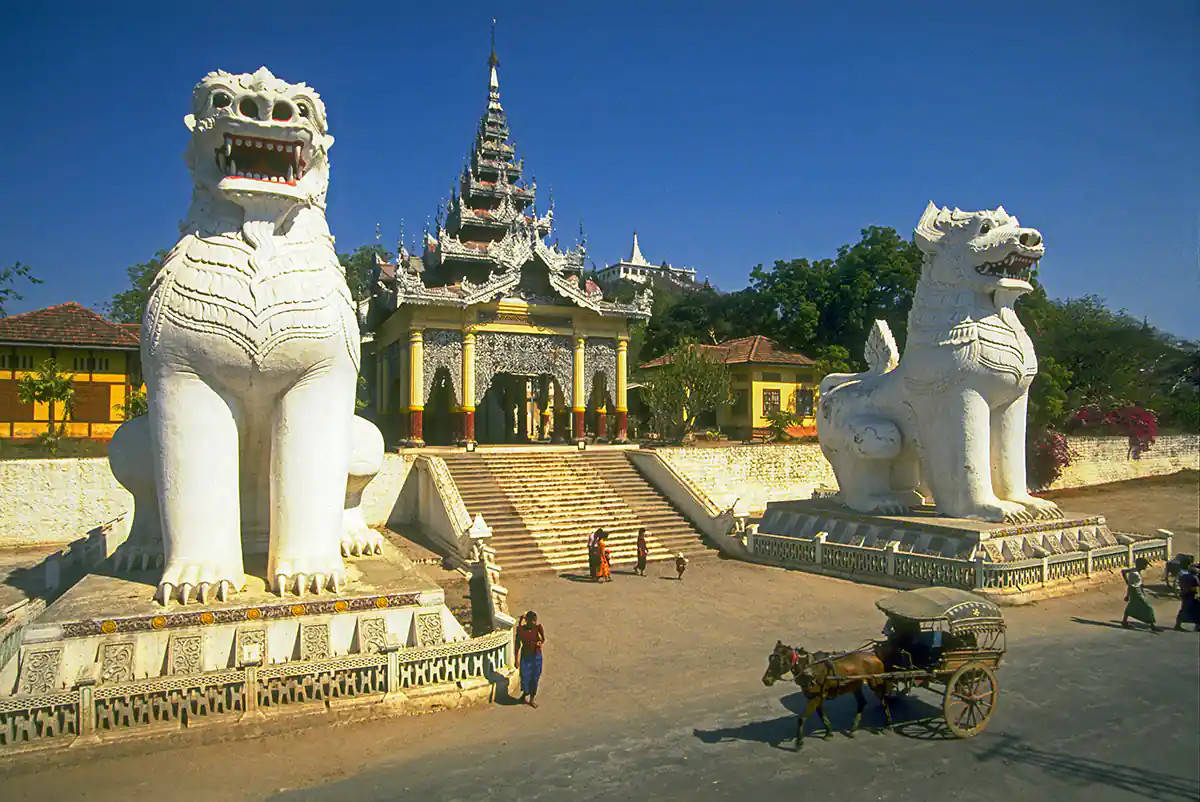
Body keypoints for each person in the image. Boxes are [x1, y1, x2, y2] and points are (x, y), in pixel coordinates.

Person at [1121, 557, 1161, 633]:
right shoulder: (1134, 574)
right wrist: (1128, 595)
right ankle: (1152, 625)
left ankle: (1124, 621)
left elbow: (1124, 572)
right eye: (1145, 565)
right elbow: (1130, 585)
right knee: (1148, 607)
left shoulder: (1134, 571)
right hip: (1136, 591)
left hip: (1136, 590)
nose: (1146, 566)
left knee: (1131, 606)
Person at [515, 611, 545, 707]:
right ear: (527, 621)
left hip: (536, 657)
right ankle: (525, 694)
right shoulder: (521, 630)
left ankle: (531, 699)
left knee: (534, 678)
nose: (534, 623)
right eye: (532, 621)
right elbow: (517, 646)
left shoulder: (538, 629)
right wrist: (516, 659)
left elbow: (543, 639)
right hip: (526, 657)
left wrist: (540, 643)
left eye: (535, 621)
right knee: (524, 677)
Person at [1175, 563, 1200, 632]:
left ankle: (1178, 624)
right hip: (1191, 595)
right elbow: (1197, 587)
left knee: (1183, 610)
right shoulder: (1195, 578)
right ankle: (1197, 625)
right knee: (1196, 610)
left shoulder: (1183, 576)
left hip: (1184, 594)